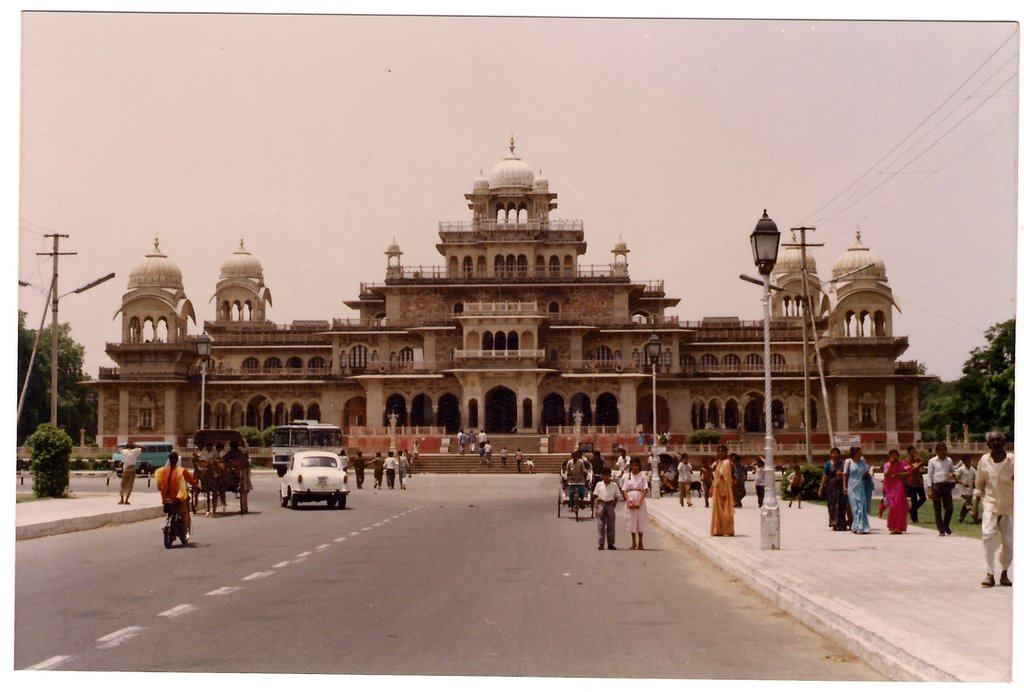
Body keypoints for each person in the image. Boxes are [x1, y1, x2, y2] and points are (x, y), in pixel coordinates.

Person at [974, 431, 1013, 588]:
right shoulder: (984, 460)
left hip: (1010, 507)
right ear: (988, 444)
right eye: (992, 441)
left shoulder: (1013, 460)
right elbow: (979, 485)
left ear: (1004, 443)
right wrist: (975, 506)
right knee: (988, 536)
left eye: (999, 440)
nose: (996, 443)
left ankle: (1004, 573)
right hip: (990, 505)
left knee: (1009, 542)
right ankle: (989, 574)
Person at [155, 451, 198, 540]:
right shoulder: (182, 470)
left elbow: (159, 485)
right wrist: (197, 487)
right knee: (184, 513)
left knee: (168, 512)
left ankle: (168, 521)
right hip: (178, 498)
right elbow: (192, 482)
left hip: (165, 498)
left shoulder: (161, 470)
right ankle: (185, 530)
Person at [927, 442, 957, 536]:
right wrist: (929, 489)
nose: (944, 451)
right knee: (937, 509)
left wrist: (953, 474)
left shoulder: (949, 460)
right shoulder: (932, 461)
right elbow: (929, 475)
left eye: (945, 449)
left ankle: (945, 525)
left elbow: (953, 471)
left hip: (946, 485)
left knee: (949, 509)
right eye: (942, 450)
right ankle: (941, 530)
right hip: (936, 486)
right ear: (937, 451)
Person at [621, 457, 649, 549]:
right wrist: (628, 501)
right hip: (630, 497)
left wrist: (639, 501)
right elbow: (624, 490)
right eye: (632, 465)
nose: (634, 467)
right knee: (631, 521)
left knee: (640, 520)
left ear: (639, 466)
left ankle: (641, 542)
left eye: (636, 465)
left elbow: (645, 490)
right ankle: (633, 543)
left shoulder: (642, 476)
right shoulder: (628, 476)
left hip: (639, 497)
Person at [844, 447, 872, 534]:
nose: (861, 454)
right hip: (851, 487)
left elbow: (866, 473)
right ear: (854, 453)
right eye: (859, 453)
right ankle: (857, 526)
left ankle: (862, 526)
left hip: (860, 487)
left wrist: (865, 464)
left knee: (861, 507)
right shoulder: (848, 462)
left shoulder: (862, 463)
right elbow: (845, 475)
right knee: (855, 507)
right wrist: (844, 487)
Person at [819, 447, 848, 531]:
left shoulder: (843, 463)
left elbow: (847, 474)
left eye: (836, 453)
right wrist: (820, 489)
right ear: (830, 455)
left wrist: (841, 474)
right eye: (833, 453)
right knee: (831, 505)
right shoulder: (828, 464)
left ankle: (841, 524)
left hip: (840, 487)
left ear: (839, 454)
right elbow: (824, 476)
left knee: (840, 505)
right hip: (831, 488)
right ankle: (834, 523)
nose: (834, 455)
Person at [882, 449, 910, 534]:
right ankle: (893, 527)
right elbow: (886, 475)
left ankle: (899, 527)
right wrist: (891, 465)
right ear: (889, 457)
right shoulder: (887, 465)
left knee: (901, 506)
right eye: (892, 455)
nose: (894, 457)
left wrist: (898, 475)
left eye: (896, 455)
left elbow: (909, 472)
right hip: (890, 487)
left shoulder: (902, 464)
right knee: (893, 506)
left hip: (899, 485)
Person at [710, 447, 735, 536]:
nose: (720, 453)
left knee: (725, 510)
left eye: (722, 451)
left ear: (725, 452)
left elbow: (726, 478)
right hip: (717, 490)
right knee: (718, 511)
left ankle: (727, 530)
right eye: (718, 451)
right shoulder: (719, 463)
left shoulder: (726, 463)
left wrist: (725, 491)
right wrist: (711, 488)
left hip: (723, 490)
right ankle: (718, 529)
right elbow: (716, 477)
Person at [593, 467, 620, 550]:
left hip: (610, 504)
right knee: (601, 525)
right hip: (601, 503)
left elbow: (616, 496)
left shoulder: (614, 485)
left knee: (611, 525)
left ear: (610, 476)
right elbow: (596, 496)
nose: (606, 477)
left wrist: (613, 506)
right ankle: (601, 543)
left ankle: (610, 543)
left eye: (607, 475)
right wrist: (596, 508)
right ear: (602, 476)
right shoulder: (599, 484)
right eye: (604, 475)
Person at [223, 439, 251, 515]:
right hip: (231, 470)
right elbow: (225, 458)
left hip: (240, 472)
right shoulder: (230, 453)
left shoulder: (240, 453)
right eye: (232, 446)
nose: (232, 447)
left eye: (233, 446)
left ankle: (244, 508)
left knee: (243, 491)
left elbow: (242, 462)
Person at [904, 446, 927, 523]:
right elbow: (911, 470)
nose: (914, 452)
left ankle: (912, 509)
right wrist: (920, 464)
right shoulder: (907, 461)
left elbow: (921, 469)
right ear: (909, 452)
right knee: (914, 500)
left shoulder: (918, 459)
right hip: (911, 482)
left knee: (923, 498)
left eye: (914, 451)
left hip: (919, 482)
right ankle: (915, 519)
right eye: (912, 451)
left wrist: (922, 467)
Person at [955, 456, 978, 524]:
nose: (969, 462)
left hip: (970, 490)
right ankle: (976, 520)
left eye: (970, 460)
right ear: (964, 462)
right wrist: (963, 483)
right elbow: (956, 479)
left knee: (965, 506)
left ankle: (960, 519)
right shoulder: (960, 469)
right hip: (963, 491)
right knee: (970, 506)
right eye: (967, 460)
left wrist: (974, 481)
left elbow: (976, 476)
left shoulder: (972, 469)